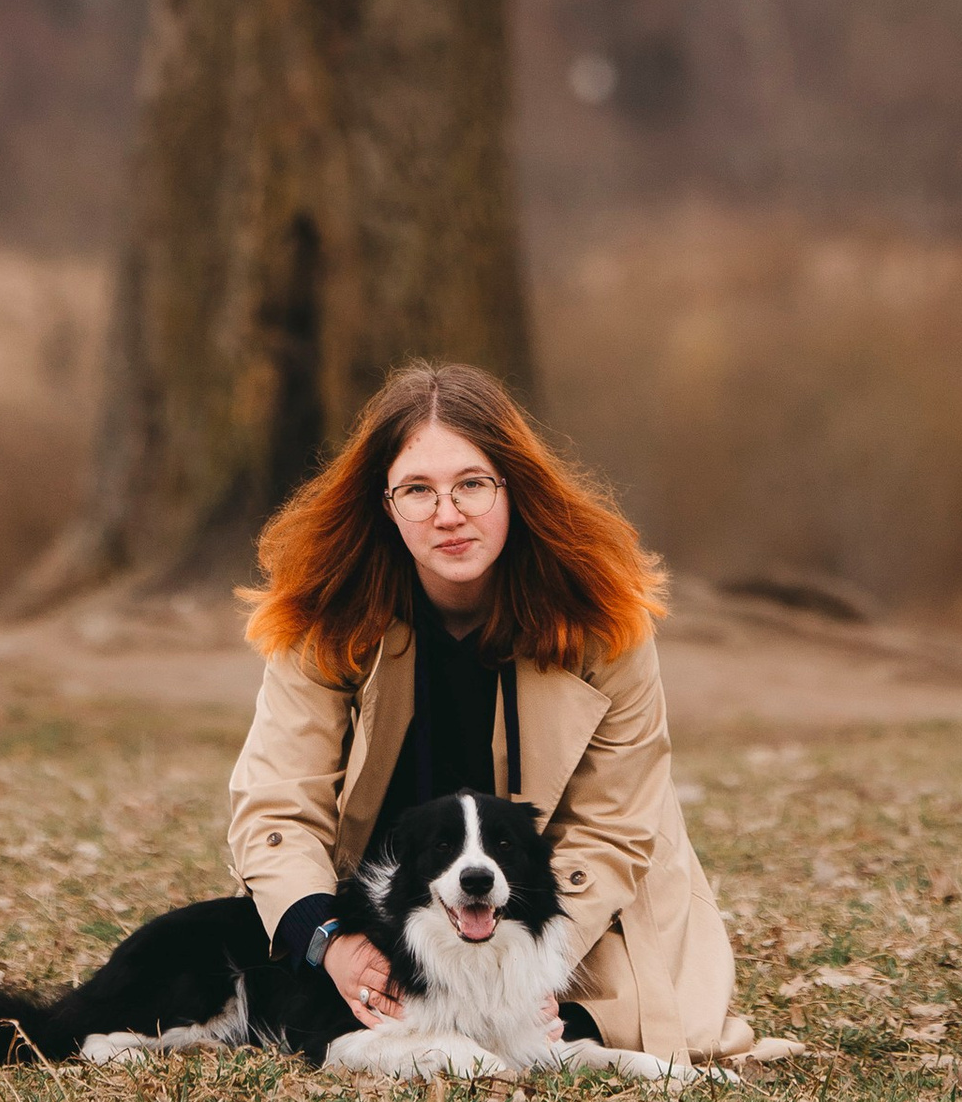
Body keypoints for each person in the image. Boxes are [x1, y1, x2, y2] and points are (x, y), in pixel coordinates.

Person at [226, 360, 740, 1064]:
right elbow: (276, 808)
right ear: (385, 505)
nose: (448, 514)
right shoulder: (327, 617)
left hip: (568, 915)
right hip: (390, 909)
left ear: (515, 490)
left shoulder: (602, 618)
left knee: (604, 1034)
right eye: (417, 490)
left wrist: (537, 969)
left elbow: (617, 823)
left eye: (472, 483)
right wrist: (331, 941)